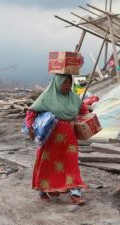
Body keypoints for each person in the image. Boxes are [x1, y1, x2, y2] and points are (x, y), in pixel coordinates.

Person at [25, 74, 89, 205]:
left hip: (69, 138)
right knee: (47, 164)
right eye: (64, 83)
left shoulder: (75, 99)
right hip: (50, 138)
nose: (67, 86)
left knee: (72, 164)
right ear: (57, 83)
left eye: (69, 83)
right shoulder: (47, 97)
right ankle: (43, 190)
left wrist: (86, 123)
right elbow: (31, 112)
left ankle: (75, 194)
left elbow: (85, 112)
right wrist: (30, 127)